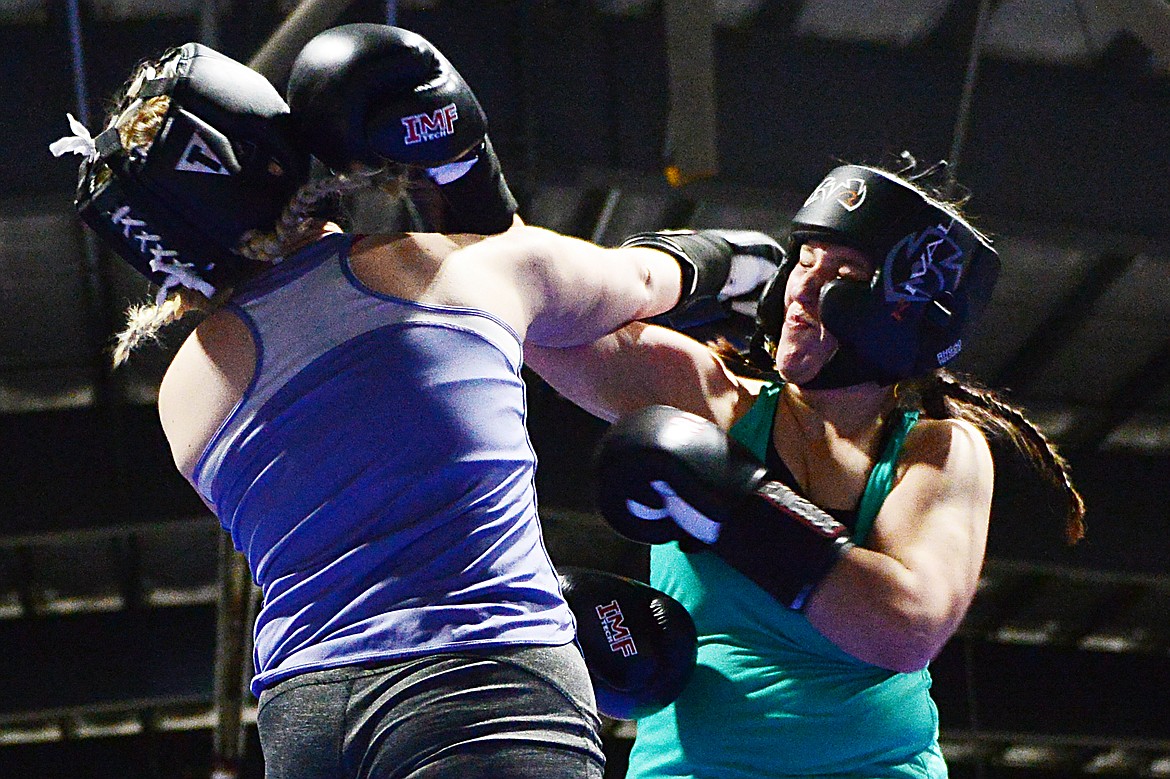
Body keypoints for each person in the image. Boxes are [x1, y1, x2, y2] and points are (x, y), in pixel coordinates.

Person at [49, 25, 759, 779]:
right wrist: (749, 266)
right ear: (271, 149)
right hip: (480, 682)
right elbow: (643, 282)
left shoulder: (183, 399)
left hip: (303, 715)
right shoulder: (454, 273)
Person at [521, 164, 1087, 778]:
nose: (802, 289)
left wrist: (730, 504)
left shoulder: (938, 450)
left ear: (911, 314)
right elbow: (535, 313)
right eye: (805, 261)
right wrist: (689, 270)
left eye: (842, 275)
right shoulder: (710, 398)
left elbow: (904, 627)